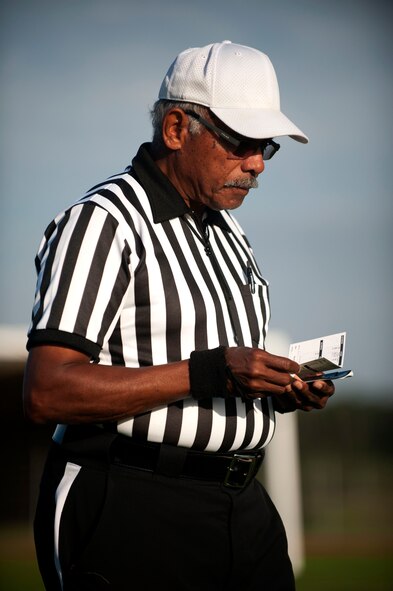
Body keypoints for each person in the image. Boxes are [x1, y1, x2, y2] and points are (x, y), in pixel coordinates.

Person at [23, 40, 334, 591]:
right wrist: (207, 372)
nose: (257, 162)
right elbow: (48, 391)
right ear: (175, 129)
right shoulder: (104, 221)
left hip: (243, 507)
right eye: (241, 141)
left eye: (267, 146)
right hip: (131, 501)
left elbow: (223, 373)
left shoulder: (229, 232)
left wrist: (276, 388)